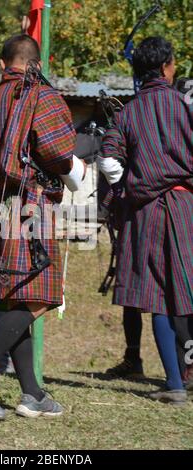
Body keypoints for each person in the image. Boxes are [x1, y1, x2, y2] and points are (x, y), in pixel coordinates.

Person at [0, 34, 85, 420]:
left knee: (15, 299)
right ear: (36, 63)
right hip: (30, 206)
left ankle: (32, 394)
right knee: (40, 297)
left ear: (1, 64)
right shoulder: (41, 96)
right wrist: (80, 167)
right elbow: (58, 151)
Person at [98, 36, 193, 404]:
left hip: (146, 211)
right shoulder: (184, 106)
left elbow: (107, 160)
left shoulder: (127, 113)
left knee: (157, 296)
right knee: (187, 288)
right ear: (167, 67)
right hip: (186, 207)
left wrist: (124, 190)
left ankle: (174, 385)